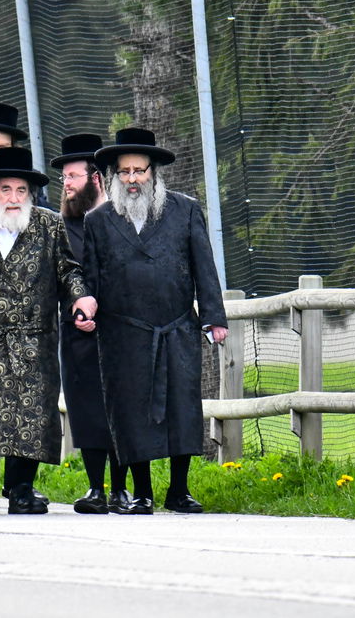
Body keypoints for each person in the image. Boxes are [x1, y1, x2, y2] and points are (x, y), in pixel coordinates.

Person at [81, 128, 228, 514]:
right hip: (122, 333)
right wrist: (84, 307)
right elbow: (89, 278)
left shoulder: (185, 210)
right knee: (130, 411)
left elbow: (204, 267)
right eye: (125, 172)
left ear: (153, 173)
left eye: (139, 171)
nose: (132, 179)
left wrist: (213, 317)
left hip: (176, 327)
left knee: (183, 408)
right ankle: (142, 493)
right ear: (114, 175)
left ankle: (179, 490)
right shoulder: (98, 220)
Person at [0, 146, 97, 514]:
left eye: (21, 190)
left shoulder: (48, 225)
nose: (13, 198)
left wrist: (80, 297)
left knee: (30, 413)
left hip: (32, 336)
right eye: (5, 189)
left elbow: (68, 269)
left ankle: (22, 486)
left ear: (31, 194)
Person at [50, 133, 128, 515]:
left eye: (73, 176)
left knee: (120, 408)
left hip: (120, 333)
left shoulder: (122, 221)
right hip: (76, 334)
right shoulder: (60, 228)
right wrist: (75, 311)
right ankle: (96, 487)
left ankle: (122, 489)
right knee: (86, 410)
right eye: (64, 177)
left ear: (95, 178)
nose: (66, 184)